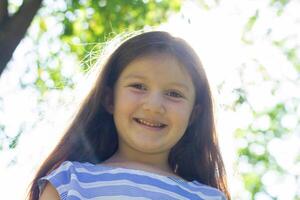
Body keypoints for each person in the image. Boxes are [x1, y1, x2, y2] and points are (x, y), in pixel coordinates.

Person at [27, 30, 230, 200]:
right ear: (109, 99)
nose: (153, 106)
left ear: (193, 115)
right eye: (138, 86)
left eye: (174, 94)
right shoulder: (69, 181)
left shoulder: (208, 197)